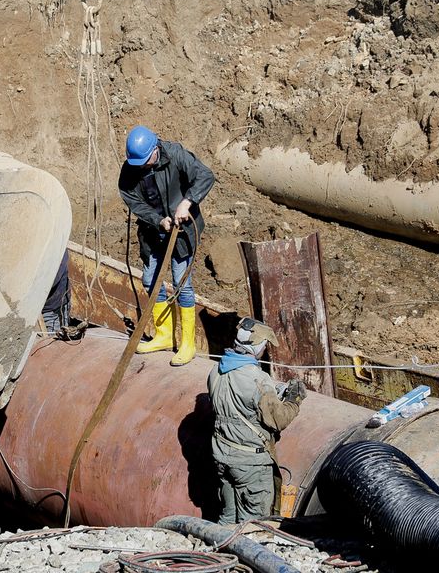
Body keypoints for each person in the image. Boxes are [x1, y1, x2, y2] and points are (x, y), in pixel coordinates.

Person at [117, 125, 215, 366]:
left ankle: (187, 343)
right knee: (151, 280)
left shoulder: (175, 154)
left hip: (183, 233)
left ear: (155, 149)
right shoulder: (131, 169)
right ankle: (163, 334)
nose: (141, 166)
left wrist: (187, 202)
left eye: (145, 161)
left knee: (182, 284)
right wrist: (158, 220)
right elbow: (133, 200)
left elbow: (205, 176)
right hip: (154, 232)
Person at [207, 317, 307, 524]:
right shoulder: (258, 380)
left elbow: (237, 402)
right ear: (258, 347)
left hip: (222, 456)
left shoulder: (216, 371)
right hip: (250, 464)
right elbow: (277, 420)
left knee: (227, 518)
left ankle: (222, 553)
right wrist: (293, 400)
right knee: (254, 524)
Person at [42, 250, 71, 336]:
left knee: (54, 343)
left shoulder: (56, 250)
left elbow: (50, 281)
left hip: (52, 308)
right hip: (51, 304)